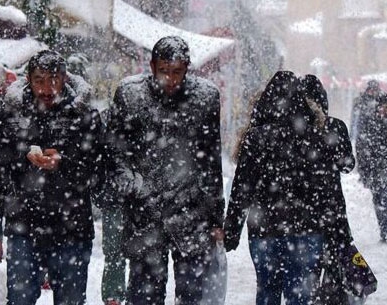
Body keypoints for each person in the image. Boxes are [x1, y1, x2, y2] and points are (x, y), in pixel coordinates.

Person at [0, 50, 105, 305]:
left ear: (65, 78)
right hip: (23, 225)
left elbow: (99, 172)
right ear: (28, 79)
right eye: (39, 80)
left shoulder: (85, 116)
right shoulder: (13, 116)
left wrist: (64, 163)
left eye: (54, 80)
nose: (47, 88)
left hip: (73, 227)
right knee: (20, 300)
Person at [107, 36, 224, 305]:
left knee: (191, 296)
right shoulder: (130, 94)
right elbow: (115, 153)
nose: (170, 80)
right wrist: (133, 185)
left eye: (177, 72)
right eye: (164, 71)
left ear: (187, 68)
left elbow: (210, 162)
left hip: (191, 213)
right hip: (145, 213)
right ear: (152, 66)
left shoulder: (205, 98)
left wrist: (217, 217)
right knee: (144, 296)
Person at [224, 71, 324, 305]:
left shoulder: (255, 137)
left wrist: (231, 231)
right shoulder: (313, 136)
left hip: (265, 230)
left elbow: (242, 189)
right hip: (305, 230)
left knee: (267, 291)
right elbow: (325, 188)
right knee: (300, 294)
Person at [299, 75, 358, 305]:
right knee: (335, 264)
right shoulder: (335, 126)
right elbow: (347, 164)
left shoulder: (294, 129)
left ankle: (310, 298)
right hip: (332, 208)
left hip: (302, 209)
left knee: (305, 268)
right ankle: (331, 298)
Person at [355, 91, 387, 242]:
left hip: (379, 168)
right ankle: (384, 230)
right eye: (383, 106)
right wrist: (364, 172)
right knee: (380, 200)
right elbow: (362, 149)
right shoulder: (370, 123)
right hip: (376, 169)